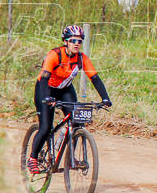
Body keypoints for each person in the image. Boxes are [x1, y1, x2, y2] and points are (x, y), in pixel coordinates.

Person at [27, 25, 112, 173]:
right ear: (65, 41)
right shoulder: (55, 55)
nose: (76, 43)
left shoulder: (81, 58)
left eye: (79, 41)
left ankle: (70, 157)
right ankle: (33, 158)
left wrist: (105, 98)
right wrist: (48, 98)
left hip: (65, 89)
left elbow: (95, 78)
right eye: (73, 40)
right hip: (45, 88)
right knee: (46, 127)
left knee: (78, 120)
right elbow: (44, 78)